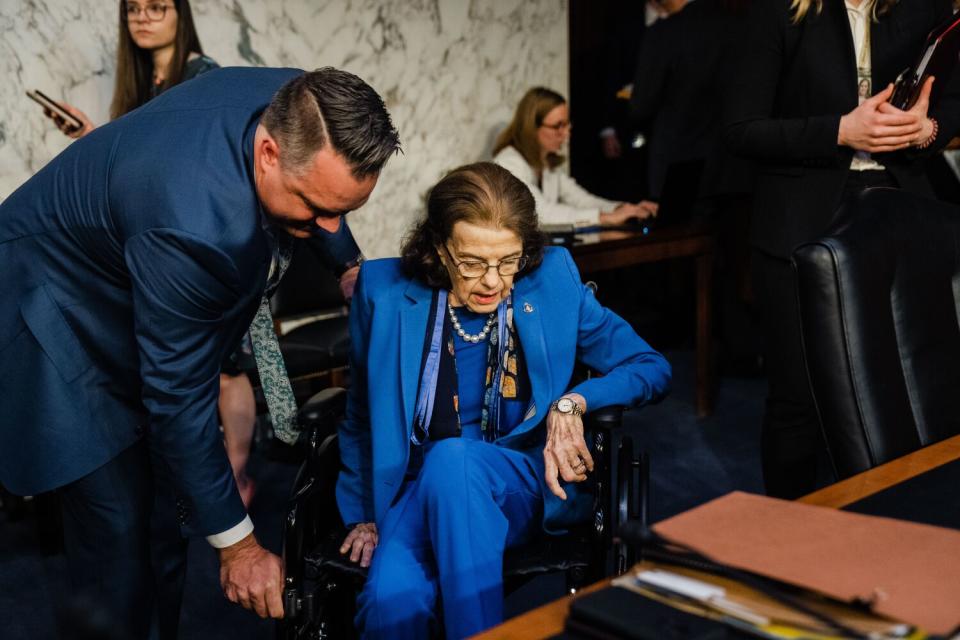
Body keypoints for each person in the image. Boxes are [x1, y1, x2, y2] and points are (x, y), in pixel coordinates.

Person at [0, 66, 400, 638]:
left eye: (346, 211)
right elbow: (179, 398)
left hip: (124, 301)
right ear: (267, 152)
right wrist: (240, 548)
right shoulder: (195, 226)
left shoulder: (303, 104)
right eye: (315, 207)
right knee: (116, 534)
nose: (330, 226)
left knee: (165, 516)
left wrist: (351, 267)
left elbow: (322, 204)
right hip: (47, 322)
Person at [335, 162, 671, 639]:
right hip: (416, 485)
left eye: (508, 260)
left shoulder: (553, 279)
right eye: (471, 262)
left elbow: (651, 366)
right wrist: (362, 515)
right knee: (392, 603)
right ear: (438, 249)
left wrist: (572, 403)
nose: (492, 281)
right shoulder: (383, 291)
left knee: (453, 460)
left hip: (520, 478)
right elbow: (360, 417)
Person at [725, 0, 960, 499]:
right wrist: (839, 131)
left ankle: (898, 530)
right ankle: (791, 543)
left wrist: (930, 130)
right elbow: (740, 128)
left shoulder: (925, 9)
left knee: (911, 391)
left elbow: (953, 99)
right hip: (798, 223)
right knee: (799, 402)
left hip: (900, 217)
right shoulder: (779, 12)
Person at [45, 0, 218, 138]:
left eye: (156, 7)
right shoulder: (142, 79)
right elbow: (135, 154)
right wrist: (88, 133)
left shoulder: (204, 75)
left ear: (181, 14)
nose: (141, 18)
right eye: (133, 8)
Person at [493, 88, 659, 229]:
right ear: (532, 127)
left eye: (567, 125)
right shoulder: (508, 163)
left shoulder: (547, 163)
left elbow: (581, 200)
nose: (566, 134)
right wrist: (604, 218)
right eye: (558, 126)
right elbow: (540, 214)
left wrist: (625, 208)